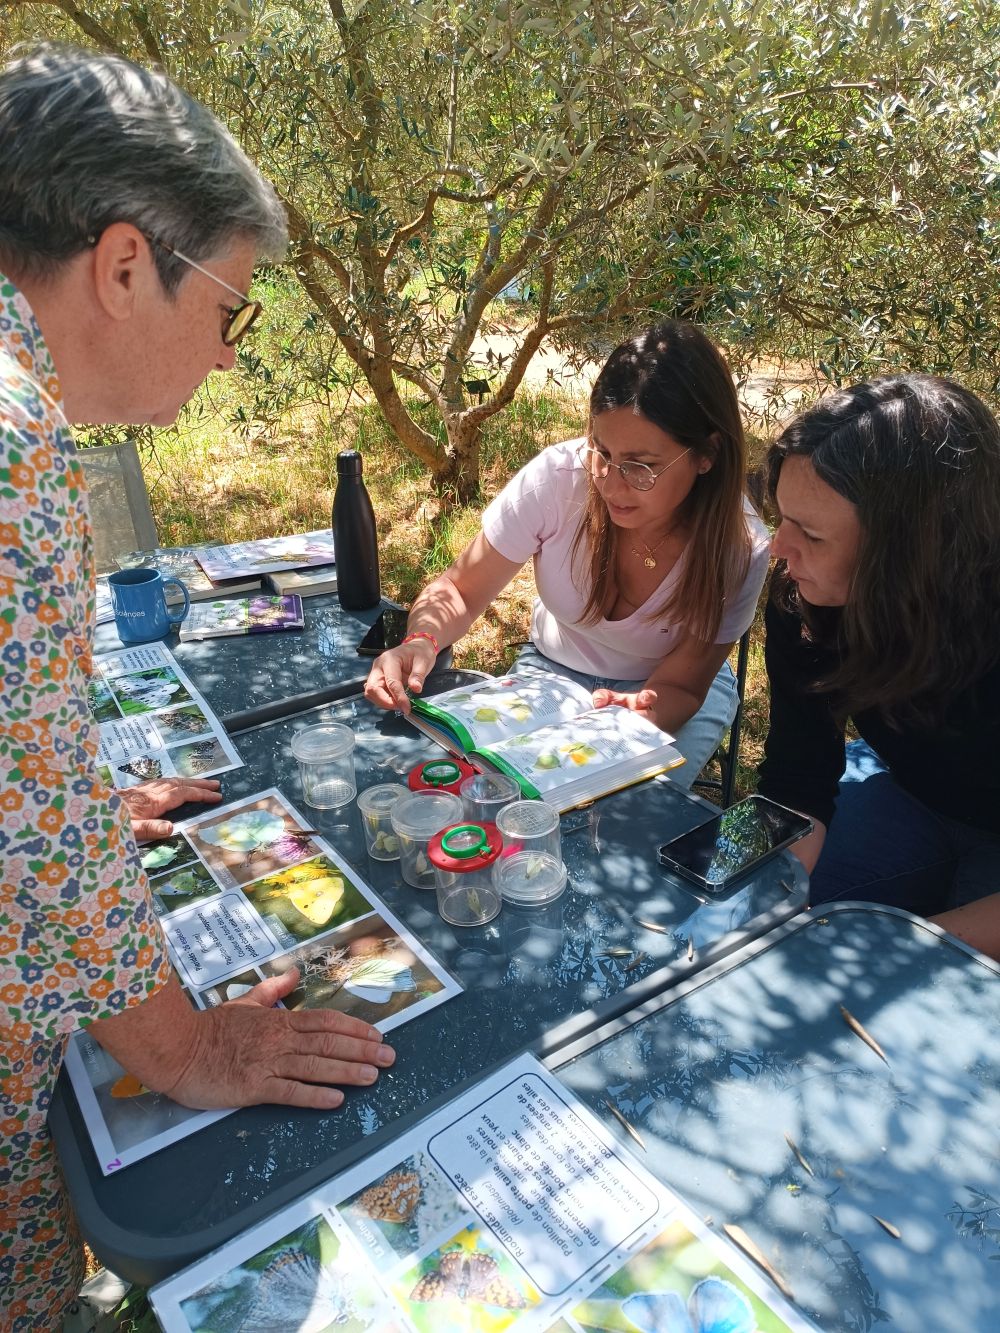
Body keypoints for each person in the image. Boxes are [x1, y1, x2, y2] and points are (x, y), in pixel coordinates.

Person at [0, 46, 394, 1329]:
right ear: (124, 266)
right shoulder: (12, 444)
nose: (230, 360)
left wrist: (50, 814)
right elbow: (35, 848)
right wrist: (186, 1048)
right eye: (233, 312)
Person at [365, 321, 770, 783]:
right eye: (601, 450)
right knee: (481, 787)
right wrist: (421, 641)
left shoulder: (739, 544)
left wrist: (630, 720)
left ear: (706, 454)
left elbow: (682, 684)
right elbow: (460, 589)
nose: (611, 484)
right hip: (551, 671)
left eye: (641, 467)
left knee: (616, 817)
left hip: (665, 696)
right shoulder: (557, 480)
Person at [757, 375, 1000, 912]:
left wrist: (924, 950)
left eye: (812, 534)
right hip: (914, 797)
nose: (780, 549)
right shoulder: (803, 599)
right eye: (782, 518)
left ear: (911, 551)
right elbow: (798, 779)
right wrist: (750, 907)